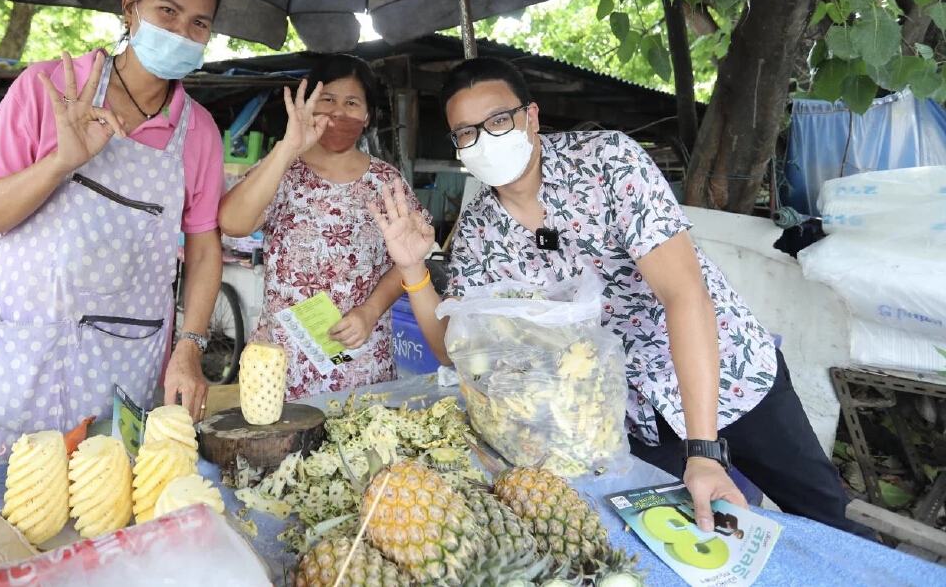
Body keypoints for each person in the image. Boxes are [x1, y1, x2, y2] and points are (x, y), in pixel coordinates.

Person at [369, 57, 871, 538]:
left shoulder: (606, 162)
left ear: (531, 117)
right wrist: (413, 270)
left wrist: (703, 449)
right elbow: (457, 352)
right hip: (624, 418)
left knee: (829, 521)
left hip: (724, 374)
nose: (485, 140)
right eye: (467, 132)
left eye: (498, 119)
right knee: (677, 546)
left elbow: (684, 294)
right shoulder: (479, 229)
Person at [0, 0, 231, 461]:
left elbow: (203, 248)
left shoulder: (199, 133)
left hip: (123, 364)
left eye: (199, 24)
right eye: (166, 12)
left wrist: (189, 347)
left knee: (110, 502)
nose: (180, 32)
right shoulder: (50, 87)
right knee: (4, 504)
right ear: (130, 8)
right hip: (20, 355)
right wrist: (60, 162)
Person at [219, 55, 429, 399]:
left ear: (367, 116)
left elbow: (406, 263)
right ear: (309, 107)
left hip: (361, 359)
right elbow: (233, 222)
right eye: (327, 100)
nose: (338, 113)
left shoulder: (386, 182)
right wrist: (288, 148)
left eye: (351, 103)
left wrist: (370, 311)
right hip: (280, 363)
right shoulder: (283, 169)